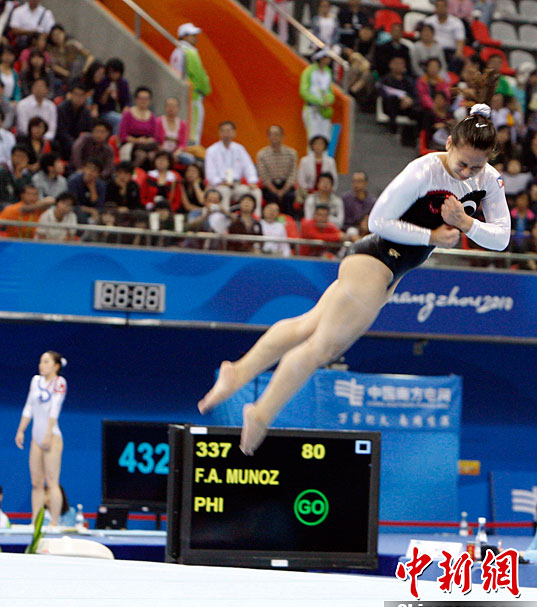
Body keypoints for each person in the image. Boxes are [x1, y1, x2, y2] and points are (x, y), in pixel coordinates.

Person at [197, 73, 511, 456]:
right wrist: (431, 235)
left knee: (307, 325)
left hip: (389, 272)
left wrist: (466, 224)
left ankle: (238, 372)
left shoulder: (489, 180)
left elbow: (501, 238)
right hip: (374, 259)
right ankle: (261, 413)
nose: (466, 173)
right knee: (321, 348)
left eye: (476, 167)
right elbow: (378, 221)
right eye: (462, 164)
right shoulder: (425, 170)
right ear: (448, 144)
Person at [15, 351, 67, 526]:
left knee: (52, 481)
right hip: (36, 438)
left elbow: (55, 409)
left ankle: (54, 522)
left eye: (46, 362)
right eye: (40, 361)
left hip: (52, 436)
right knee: (36, 483)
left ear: (56, 366)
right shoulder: (35, 381)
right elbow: (29, 407)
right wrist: (21, 430)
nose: (41, 365)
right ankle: (35, 522)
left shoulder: (60, 382)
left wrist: (48, 434)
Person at [205, 120, 262, 216]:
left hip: (236, 185)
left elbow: (249, 167)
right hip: (220, 185)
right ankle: (224, 221)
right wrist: (221, 182)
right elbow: (210, 173)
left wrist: (252, 181)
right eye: (223, 131)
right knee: (225, 191)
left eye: (229, 131)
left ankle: (256, 220)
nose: (226, 134)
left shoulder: (239, 149)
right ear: (219, 133)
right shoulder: (212, 150)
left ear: (234, 133)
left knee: (256, 192)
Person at [170, 22, 211, 146]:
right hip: (194, 96)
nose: (195, 38)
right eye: (192, 35)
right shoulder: (190, 52)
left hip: (181, 96)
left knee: (184, 127)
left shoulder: (176, 52)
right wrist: (206, 90)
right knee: (194, 130)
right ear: (184, 36)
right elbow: (199, 76)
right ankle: (192, 151)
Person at [256, 125, 297, 216]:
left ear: (282, 136)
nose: (274, 137)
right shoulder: (262, 154)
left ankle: (289, 221)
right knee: (271, 196)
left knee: (289, 197)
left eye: (277, 134)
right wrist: (275, 191)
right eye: (271, 135)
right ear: (268, 137)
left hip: (286, 185)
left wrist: (283, 190)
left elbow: (293, 174)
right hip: (270, 186)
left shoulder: (292, 153)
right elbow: (263, 176)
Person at [118, 86, 164, 161]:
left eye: (146, 99)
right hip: (130, 143)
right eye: (141, 98)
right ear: (136, 99)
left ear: (150, 100)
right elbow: (123, 135)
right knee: (140, 155)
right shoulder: (128, 114)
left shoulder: (152, 117)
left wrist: (146, 141)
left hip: (147, 145)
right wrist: (137, 140)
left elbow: (155, 136)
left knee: (152, 156)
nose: (143, 101)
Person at [300, 48, 334, 141]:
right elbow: (304, 91)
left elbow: (329, 91)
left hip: (324, 110)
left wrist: (329, 100)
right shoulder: (309, 71)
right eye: (327, 57)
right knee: (313, 139)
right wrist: (319, 101)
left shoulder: (328, 72)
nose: (329, 59)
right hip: (312, 109)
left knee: (325, 138)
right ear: (321, 58)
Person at [424, 0, 465, 74]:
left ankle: (450, 78)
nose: (439, 9)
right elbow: (424, 35)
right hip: (433, 49)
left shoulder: (456, 22)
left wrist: (459, 51)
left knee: (458, 60)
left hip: (449, 52)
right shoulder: (429, 21)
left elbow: (460, 39)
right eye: (437, 6)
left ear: (446, 7)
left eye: (442, 6)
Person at [55, 82, 93, 161]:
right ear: (71, 95)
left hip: (79, 141)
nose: (78, 98)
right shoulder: (62, 108)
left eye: (81, 95)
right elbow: (61, 131)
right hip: (63, 141)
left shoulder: (86, 112)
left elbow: (88, 131)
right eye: (76, 94)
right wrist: (75, 143)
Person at [296, 134, 338, 200]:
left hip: (326, 193)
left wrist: (327, 190)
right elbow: (301, 179)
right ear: (312, 145)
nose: (318, 146)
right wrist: (309, 191)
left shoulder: (331, 161)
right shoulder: (304, 161)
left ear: (325, 146)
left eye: (321, 144)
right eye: (316, 144)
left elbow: (334, 179)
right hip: (307, 193)